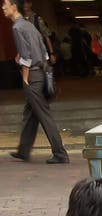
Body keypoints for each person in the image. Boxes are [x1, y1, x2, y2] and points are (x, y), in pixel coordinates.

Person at [3, 0, 69, 165]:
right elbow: (44, 51)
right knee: (30, 114)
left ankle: (60, 153)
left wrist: (25, 78)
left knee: (44, 115)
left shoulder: (17, 27)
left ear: (13, 7)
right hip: (41, 72)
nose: (2, 8)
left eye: (5, 5)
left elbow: (26, 56)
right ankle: (23, 151)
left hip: (32, 77)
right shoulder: (29, 25)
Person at [22, 0, 54, 66]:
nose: (25, 5)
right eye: (23, 3)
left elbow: (47, 37)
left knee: (42, 73)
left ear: (30, 4)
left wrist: (52, 53)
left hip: (39, 51)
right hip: (26, 53)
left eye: (26, 3)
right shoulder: (21, 19)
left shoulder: (37, 19)